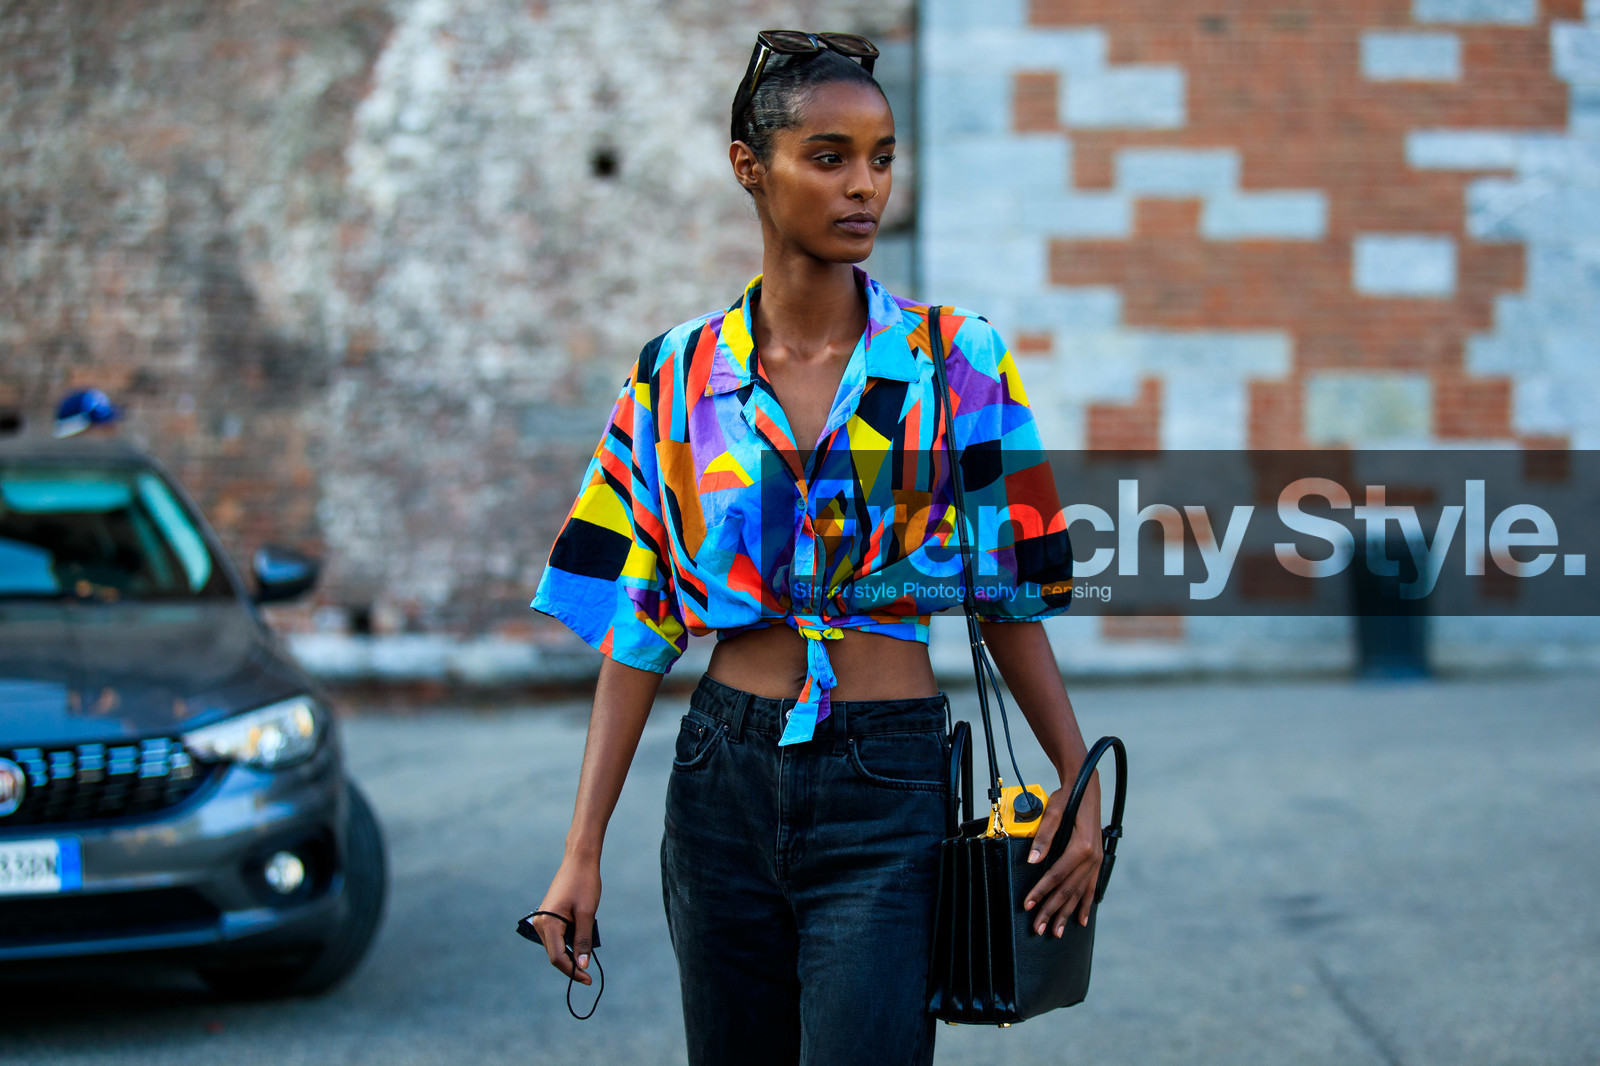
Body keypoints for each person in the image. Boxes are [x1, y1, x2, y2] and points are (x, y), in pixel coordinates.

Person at [528, 31, 1103, 1065]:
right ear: (751, 166)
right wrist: (581, 854)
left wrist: (1079, 782)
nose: (865, 187)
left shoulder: (951, 359)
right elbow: (639, 624)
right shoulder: (674, 374)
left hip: (888, 780)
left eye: (881, 157)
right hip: (720, 775)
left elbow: (1008, 598)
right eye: (828, 155)